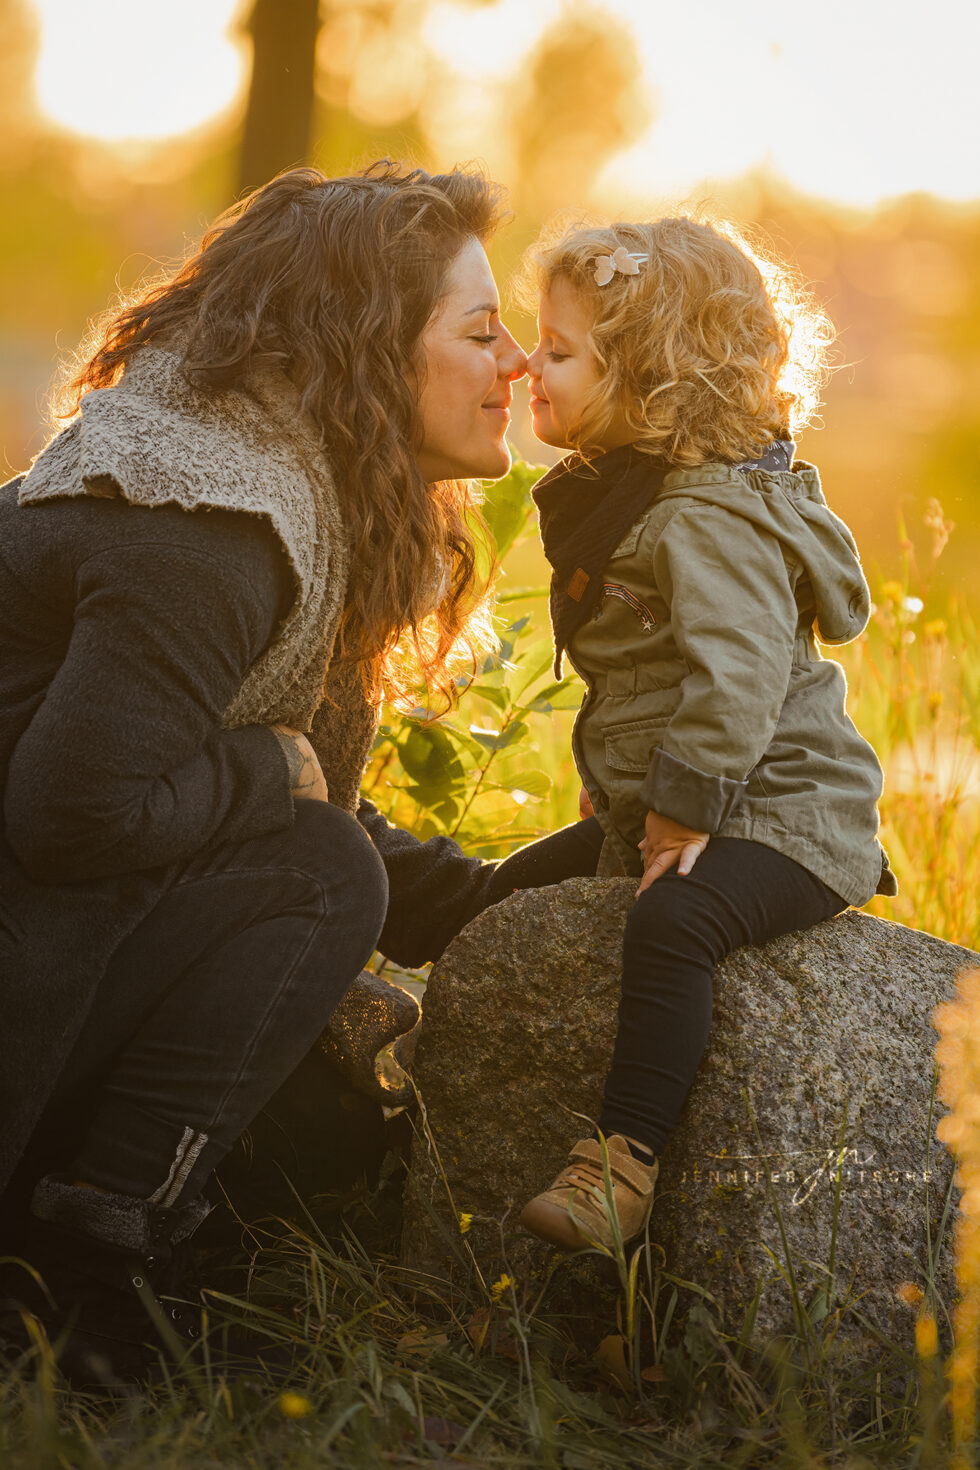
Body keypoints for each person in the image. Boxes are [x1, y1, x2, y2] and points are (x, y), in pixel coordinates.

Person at [0, 159, 526, 1382]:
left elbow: (281, 796)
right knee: (316, 879)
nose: (513, 367)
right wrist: (262, 769)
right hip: (36, 925)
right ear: (365, 346)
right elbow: (75, 817)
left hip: (47, 940)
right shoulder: (205, 526)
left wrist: (514, 900)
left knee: (327, 1130)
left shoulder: (282, 491)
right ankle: (81, 1288)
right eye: (480, 331)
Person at [496, 215, 897, 1252]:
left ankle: (618, 1169)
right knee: (520, 892)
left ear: (650, 380)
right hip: (707, 800)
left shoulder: (703, 515)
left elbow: (736, 682)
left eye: (558, 351)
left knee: (670, 924)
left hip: (784, 818)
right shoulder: (637, 496)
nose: (525, 366)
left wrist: (675, 809)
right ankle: (415, 984)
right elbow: (647, 674)